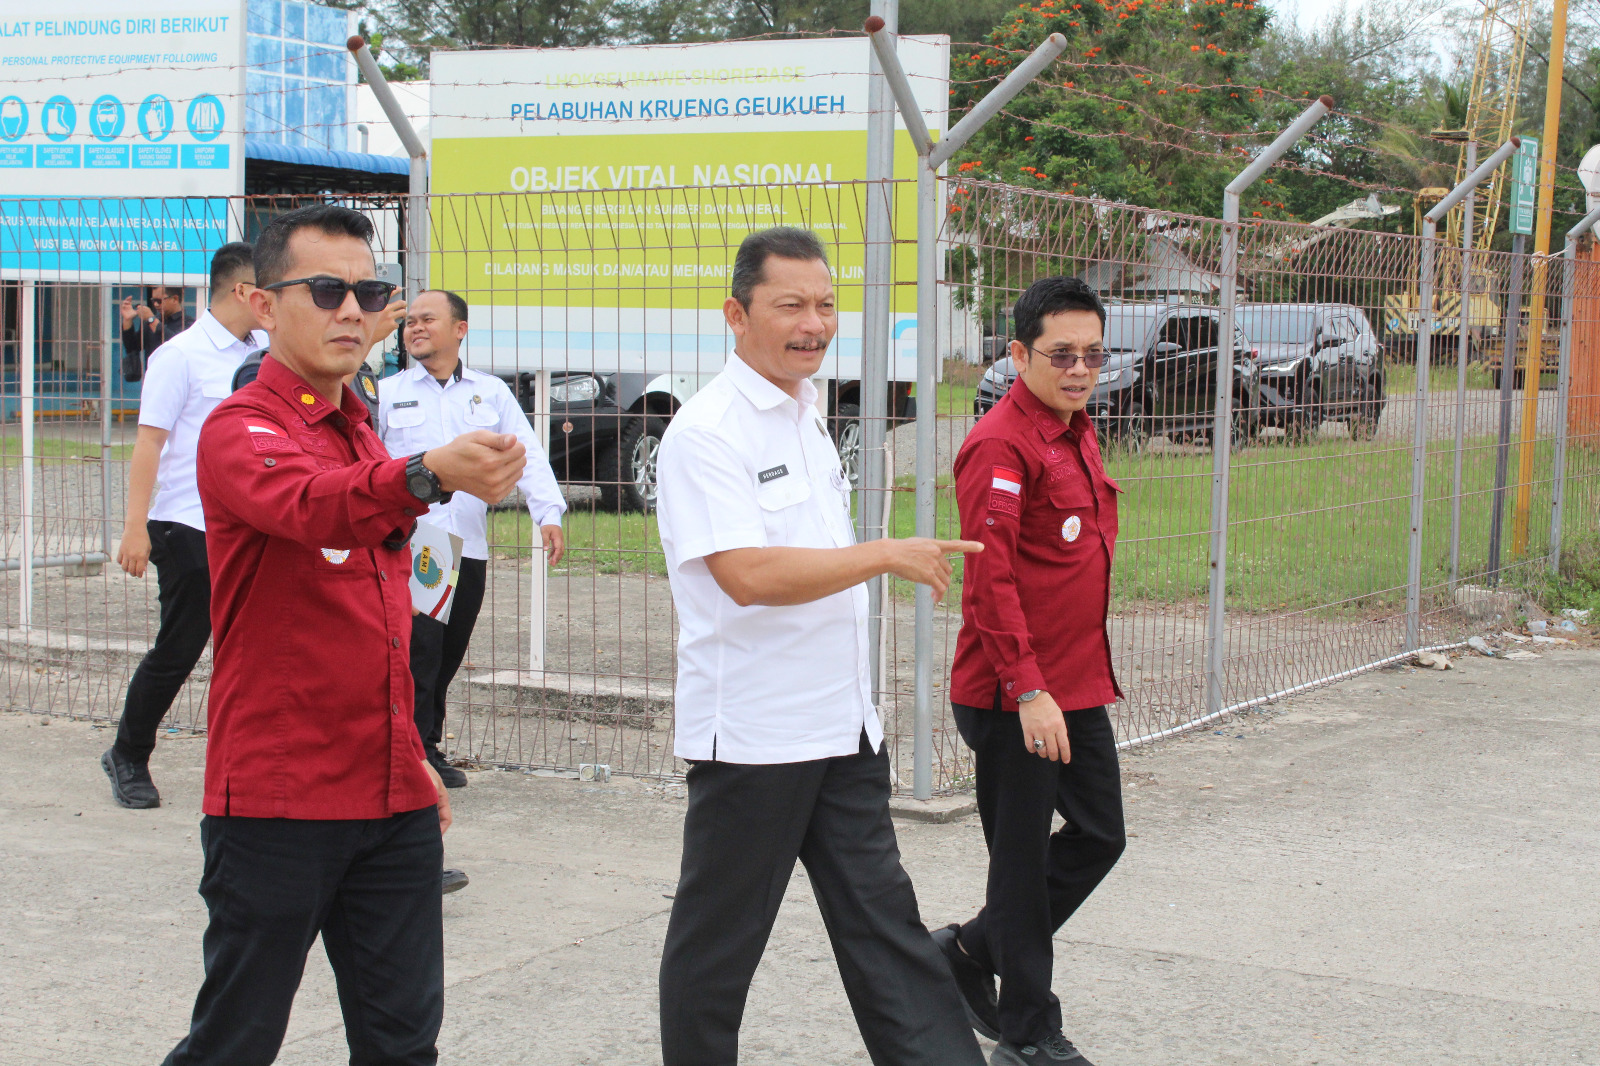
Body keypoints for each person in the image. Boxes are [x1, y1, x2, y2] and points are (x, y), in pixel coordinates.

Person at [161, 204, 526, 1066]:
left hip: (389, 795)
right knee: (236, 1041)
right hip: (280, 798)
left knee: (403, 1045)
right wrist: (425, 472)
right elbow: (312, 504)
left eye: (369, 291)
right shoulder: (239, 428)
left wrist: (411, 760)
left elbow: (382, 628)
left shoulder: (361, 425)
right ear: (260, 302)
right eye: (325, 290)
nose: (352, 311)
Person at [655, 226, 987, 1066]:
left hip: (842, 731)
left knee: (889, 931)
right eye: (791, 305)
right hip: (756, 741)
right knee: (717, 951)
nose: (815, 322)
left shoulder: (806, 414)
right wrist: (883, 554)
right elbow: (747, 574)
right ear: (737, 314)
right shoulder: (708, 432)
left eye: (827, 304)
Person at [937, 276, 1126, 1066]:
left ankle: (968, 951)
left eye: (1092, 354)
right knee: (1019, 863)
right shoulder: (1000, 445)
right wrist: (1030, 689)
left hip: (1072, 682)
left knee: (1100, 835)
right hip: (1018, 693)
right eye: (1061, 355)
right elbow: (991, 579)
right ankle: (1030, 1032)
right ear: (1018, 355)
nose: (1079, 369)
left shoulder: (1072, 427)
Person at [378, 289, 567, 790]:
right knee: (420, 650)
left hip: (471, 543)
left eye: (427, 320)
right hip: (420, 545)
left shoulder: (490, 392)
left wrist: (548, 512)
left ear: (460, 330)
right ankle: (416, 753)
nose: (415, 328)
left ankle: (426, 742)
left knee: (449, 651)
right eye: (410, 321)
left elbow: (526, 450)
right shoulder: (388, 391)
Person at [101, 243, 265, 810]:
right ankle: (127, 753)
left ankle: (249, 767)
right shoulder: (180, 356)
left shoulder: (265, 352)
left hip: (249, 525)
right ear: (245, 291)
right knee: (181, 645)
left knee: (253, 651)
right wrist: (134, 527)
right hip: (185, 523)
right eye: (268, 289)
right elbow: (150, 442)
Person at [120, 284, 194, 381]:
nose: (155, 305)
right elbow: (133, 347)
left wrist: (152, 320)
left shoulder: (189, 323)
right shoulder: (151, 321)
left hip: (177, 380)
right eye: (153, 301)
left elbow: (175, 343)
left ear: (175, 299)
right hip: (153, 380)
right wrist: (127, 320)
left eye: (159, 301)